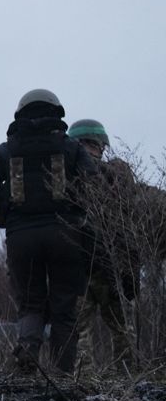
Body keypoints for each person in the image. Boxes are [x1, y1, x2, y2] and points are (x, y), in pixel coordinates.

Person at [0, 90, 97, 375]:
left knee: (31, 306)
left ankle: (26, 364)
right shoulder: (72, 148)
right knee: (64, 311)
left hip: (21, 239)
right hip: (66, 237)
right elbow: (99, 197)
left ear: (20, 114)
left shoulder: (5, 151)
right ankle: (61, 376)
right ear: (56, 113)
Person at [68, 119, 138, 374]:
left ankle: (84, 387)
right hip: (112, 265)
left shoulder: (67, 177)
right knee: (122, 330)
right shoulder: (116, 177)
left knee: (79, 333)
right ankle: (130, 382)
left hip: (79, 265)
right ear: (100, 145)